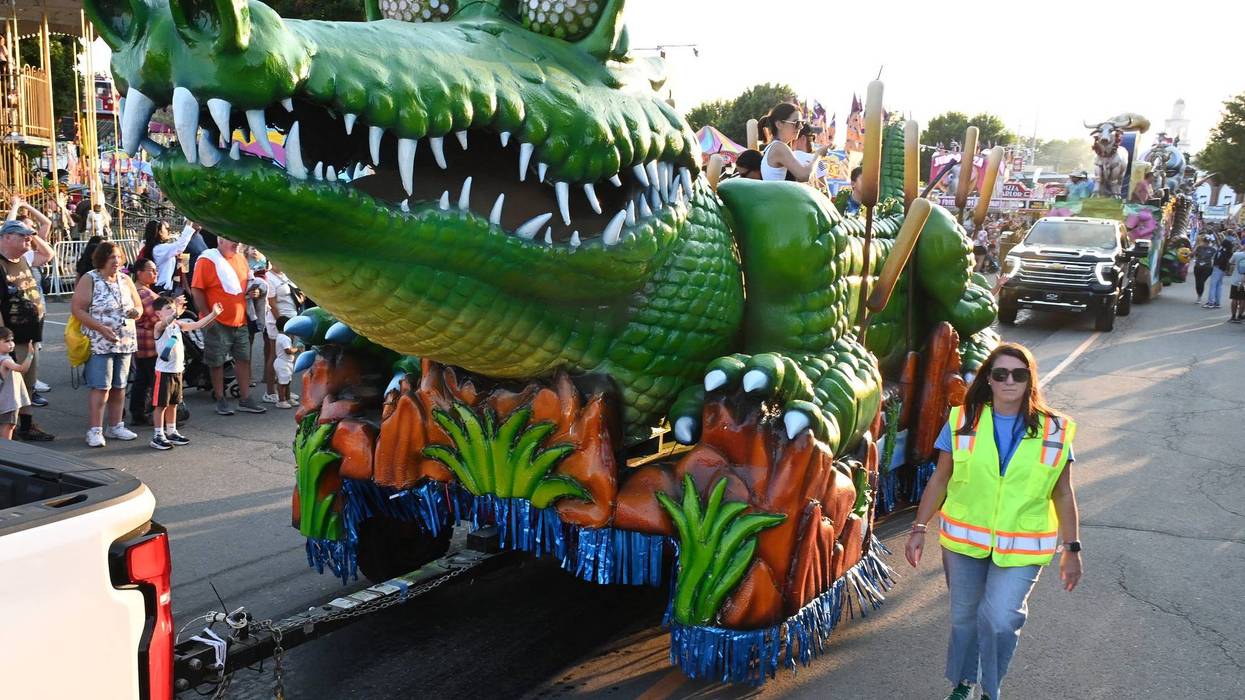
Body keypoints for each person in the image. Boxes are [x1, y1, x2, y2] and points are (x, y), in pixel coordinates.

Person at [905, 343, 1081, 700]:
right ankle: (963, 684)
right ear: (988, 378)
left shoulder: (1055, 430)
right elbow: (940, 479)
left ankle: (991, 689)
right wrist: (919, 528)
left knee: (1001, 620)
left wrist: (1072, 548)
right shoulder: (961, 421)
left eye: (1019, 374)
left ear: (1030, 379)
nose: (1009, 381)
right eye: (1000, 374)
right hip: (964, 542)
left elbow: (1063, 492)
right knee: (964, 619)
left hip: (1023, 546)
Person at [71, 241, 142, 447]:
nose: (116, 261)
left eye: (119, 257)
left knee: (120, 386)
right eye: (112, 257)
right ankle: (95, 430)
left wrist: (136, 312)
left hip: (125, 341)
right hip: (99, 342)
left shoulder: (125, 279)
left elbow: (138, 305)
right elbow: (77, 309)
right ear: (102, 259)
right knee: (101, 387)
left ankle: (116, 425)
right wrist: (101, 328)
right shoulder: (90, 278)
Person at [190, 236, 267, 415]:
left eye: (237, 240)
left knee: (243, 359)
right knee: (216, 362)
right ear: (220, 240)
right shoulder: (207, 260)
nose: (237, 243)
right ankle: (220, 399)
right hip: (216, 322)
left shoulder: (240, 259)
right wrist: (208, 317)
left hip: (240, 320)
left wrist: (254, 292)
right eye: (231, 239)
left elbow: (247, 286)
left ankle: (245, 399)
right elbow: (197, 289)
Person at [0, 216, 55, 441]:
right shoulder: (1, 264)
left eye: (29, 237)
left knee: (28, 382)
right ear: (6, 237)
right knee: (12, 385)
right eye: (22, 236)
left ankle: (26, 424)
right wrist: (4, 341)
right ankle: (10, 430)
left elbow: (48, 254)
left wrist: (32, 235)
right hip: (12, 337)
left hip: (31, 333)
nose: (28, 240)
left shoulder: (22, 258)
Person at [149, 296, 223, 449]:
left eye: (172, 308)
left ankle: (171, 431)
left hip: (177, 371)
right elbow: (165, 323)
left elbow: (197, 325)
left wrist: (213, 314)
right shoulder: (159, 326)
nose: (172, 310)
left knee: (173, 403)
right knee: (161, 405)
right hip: (164, 372)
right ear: (158, 313)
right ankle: (158, 435)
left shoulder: (177, 325)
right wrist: (176, 312)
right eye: (168, 308)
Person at [756, 103, 829, 183]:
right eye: (796, 123)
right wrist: (818, 155)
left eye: (802, 123)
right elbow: (804, 176)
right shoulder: (779, 147)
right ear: (779, 124)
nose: (801, 127)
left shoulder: (775, 146)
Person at [264, 262, 302, 403]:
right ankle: (270, 392)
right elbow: (272, 303)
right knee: (275, 355)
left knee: (287, 359)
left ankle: (285, 392)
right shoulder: (269, 277)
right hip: (278, 322)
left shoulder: (286, 274)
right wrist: (282, 325)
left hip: (291, 320)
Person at [130, 257, 162, 425]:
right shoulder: (144, 293)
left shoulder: (136, 290)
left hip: (139, 342)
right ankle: (156, 414)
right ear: (139, 273)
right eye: (151, 270)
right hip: (149, 342)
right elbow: (156, 318)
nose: (155, 273)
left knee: (141, 379)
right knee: (155, 380)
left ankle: (138, 412)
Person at [141, 219, 197, 294]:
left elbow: (183, 264)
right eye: (167, 229)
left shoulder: (159, 248)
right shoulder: (159, 249)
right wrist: (189, 221)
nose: (170, 231)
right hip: (163, 289)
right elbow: (180, 246)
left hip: (171, 287)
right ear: (160, 232)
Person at [0, 329, 33, 440]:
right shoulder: (5, 361)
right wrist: (30, 355)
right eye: (7, 341)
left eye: (12, 340)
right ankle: (5, 449)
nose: (11, 344)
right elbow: (22, 369)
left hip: (3, 400)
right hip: (8, 403)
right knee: (8, 428)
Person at [273, 316, 299, 409]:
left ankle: (288, 398)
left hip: (285, 363)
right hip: (283, 363)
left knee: (287, 382)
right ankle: (281, 400)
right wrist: (297, 349)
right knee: (283, 383)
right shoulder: (284, 339)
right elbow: (288, 351)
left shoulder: (281, 337)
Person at [1206, 236, 1234, 309]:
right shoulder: (1229, 252)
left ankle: (1211, 302)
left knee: (1213, 285)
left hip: (1217, 268)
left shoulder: (1222, 251)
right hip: (1223, 269)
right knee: (1219, 285)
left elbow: (1219, 259)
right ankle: (1217, 302)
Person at [1192, 234, 1217, 304]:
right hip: (1198, 266)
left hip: (1207, 268)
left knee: (1201, 281)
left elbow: (1216, 257)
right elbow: (1192, 255)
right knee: (1197, 282)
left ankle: (1199, 297)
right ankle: (1199, 295)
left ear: (1209, 242)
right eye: (1205, 241)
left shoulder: (1213, 249)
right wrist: (1195, 247)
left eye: (1207, 242)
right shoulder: (1199, 247)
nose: (1206, 243)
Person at [1228, 240, 1245, 323]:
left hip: (1235, 280)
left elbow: (1230, 262)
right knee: (1243, 299)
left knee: (1234, 298)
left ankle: (1233, 316)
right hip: (1244, 282)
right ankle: (1239, 316)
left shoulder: (1236, 254)